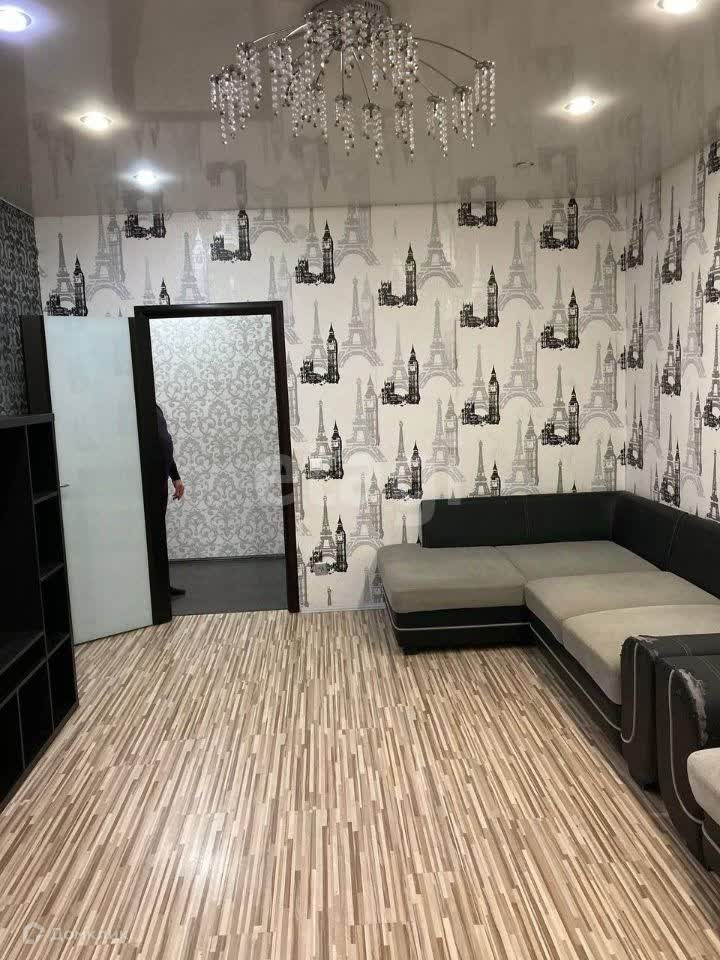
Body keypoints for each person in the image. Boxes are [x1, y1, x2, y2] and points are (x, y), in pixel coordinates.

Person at [156, 404, 186, 598]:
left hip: (160, 482)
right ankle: (155, 591)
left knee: (159, 537)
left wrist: (175, 477)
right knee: (152, 538)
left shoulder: (155, 408)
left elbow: (165, 445)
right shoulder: (134, 409)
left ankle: (161, 586)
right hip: (146, 485)